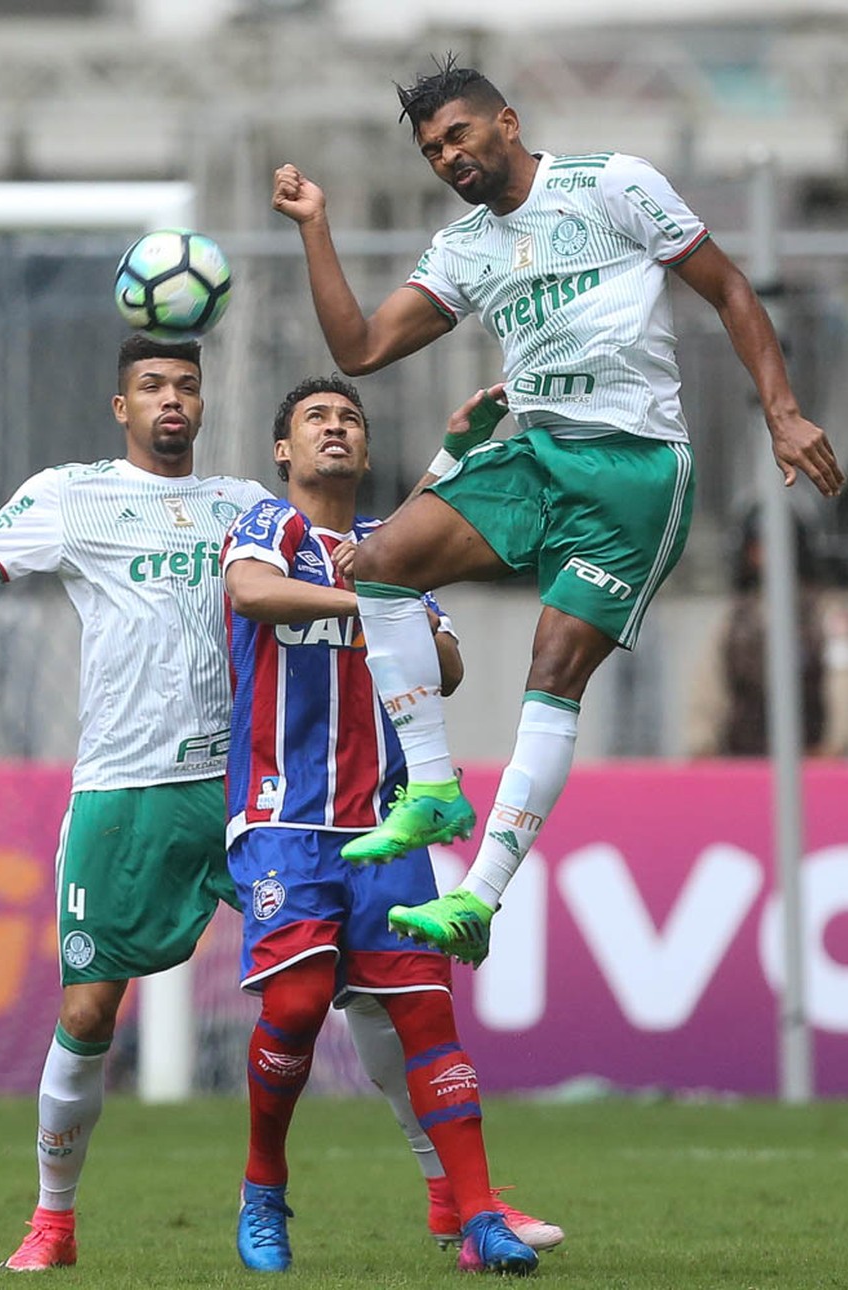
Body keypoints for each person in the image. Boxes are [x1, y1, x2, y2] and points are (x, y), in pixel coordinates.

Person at [0, 334, 555, 1273]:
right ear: (121, 406)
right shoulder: (70, 494)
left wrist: (447, 465)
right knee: (89, 1012)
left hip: (256, 789)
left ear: (206, 406)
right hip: (128, 787)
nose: (171, 398)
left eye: (186, 384)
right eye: (151, 386)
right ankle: (53, 1220)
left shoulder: (248, 504)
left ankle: (457, 1196)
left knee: (372, 996)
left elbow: (368, 536)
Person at [271, 54, 846, 966]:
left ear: (507, 123)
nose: (448, 158)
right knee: (379, 564)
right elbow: (362, 347)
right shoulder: (463, 247)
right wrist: (315, 226)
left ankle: (478, 896)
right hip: (537, 454)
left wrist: (780, 411)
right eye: (431, 151)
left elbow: (730, 288)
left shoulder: (611, 185)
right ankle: (433, 789)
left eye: (457, 135)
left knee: (553, 669)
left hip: (634, 468)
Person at [221, 373, 553, 1274]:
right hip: (284, 816)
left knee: (426, 1016)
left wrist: (392, 592)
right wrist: (370, 601)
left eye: (350, 418)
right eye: (315, 419)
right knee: (295, 1003)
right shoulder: (272, 528)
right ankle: (262, 1186)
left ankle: (478, 1218)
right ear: (284, 450)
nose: (335, 428)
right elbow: (252, 595)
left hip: (387, 823)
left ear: (366, 450)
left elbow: (447, 666)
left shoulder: (390, 547)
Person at [686, 508, 848, 757]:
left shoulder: (827, 612)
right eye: (758, 547)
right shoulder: (733, 619)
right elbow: (708, 686)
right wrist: (702, 745)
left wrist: (837, 744)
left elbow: (843, 681)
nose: (767, 555)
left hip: (812, 759)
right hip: (742, 760)